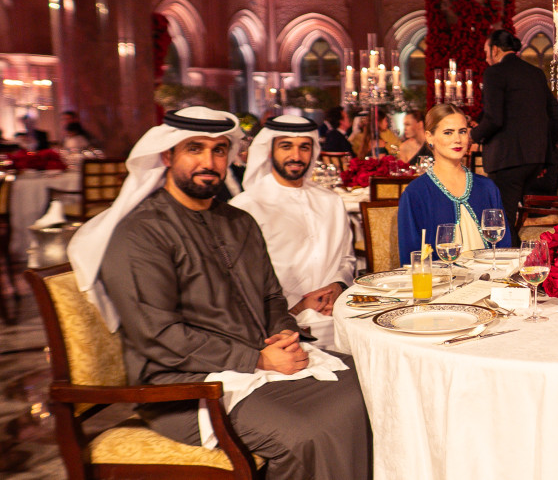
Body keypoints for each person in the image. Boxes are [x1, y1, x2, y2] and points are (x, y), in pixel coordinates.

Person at [66, 106, 370, 480]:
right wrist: (257, 359)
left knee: (372, 381)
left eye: (219, 151)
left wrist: (284, 334)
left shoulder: (238, 222)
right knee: (308, 433)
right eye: (195, 149)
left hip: (257, 361)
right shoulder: (140, 234)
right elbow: (158, 334)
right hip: (186, 388)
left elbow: (271, 297)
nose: (208, 161)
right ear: (168, 155)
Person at [230, 115, 355, 349]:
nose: (296, 156)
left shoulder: (331, 201)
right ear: (269, 150)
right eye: (286, 146)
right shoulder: (246, 206)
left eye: (304, 147)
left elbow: (347, 259)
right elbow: (239, 282)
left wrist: (337, 286)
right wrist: (297, 306)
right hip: (278, 330)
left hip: (337, 317)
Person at [471, 29, 558, 235]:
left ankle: (509, 262)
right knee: (514, 219)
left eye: (486, 51)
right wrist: (544, 151)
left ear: (495, 50)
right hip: (535, 163)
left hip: (507, 160)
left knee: (502, 222)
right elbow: (557, 114)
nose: (486, 57)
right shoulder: (535, 73)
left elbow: (494, 119)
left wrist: (472, 136)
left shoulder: (495, 73)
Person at [399, 104, 510, 264]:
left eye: (462, 132)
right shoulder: (416, 193)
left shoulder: (487, 188)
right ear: (430, 137)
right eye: (448, 132)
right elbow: (411, 260)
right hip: (439, 285)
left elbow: (504, 249)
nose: (457, 139)